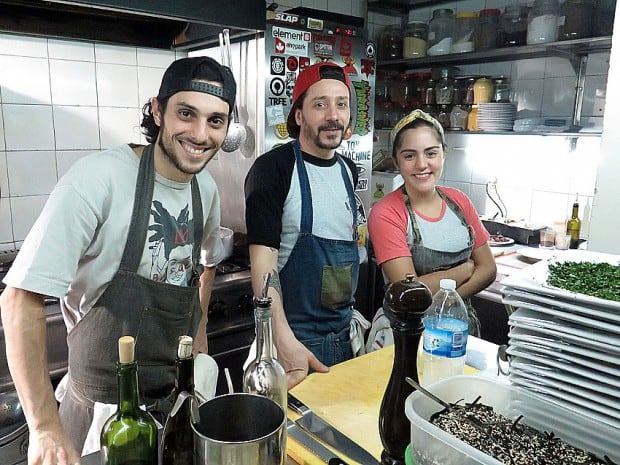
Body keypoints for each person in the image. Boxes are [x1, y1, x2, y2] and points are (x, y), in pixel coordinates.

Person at [0, 56, 236, 465]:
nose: (200, 134)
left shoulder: (206, 190)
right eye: (186, 113)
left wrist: (197, 340)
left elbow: (205, 264)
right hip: (102, 418)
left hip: (174, 410)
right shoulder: (97, 180)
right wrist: (44, 428)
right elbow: (20, 300)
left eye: (216, 121)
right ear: (157, 110)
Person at [244, 61, 361, 388]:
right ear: (299, 115)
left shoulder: (348, 172)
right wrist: (284, 342)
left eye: (341, 104)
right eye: (320, 104)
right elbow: (263, 271)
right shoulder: (274, 169)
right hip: (291, 345)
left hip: (343, 341)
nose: (333, 115)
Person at [367, 109, 496, 342]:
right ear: (396, 160)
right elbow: (410, 292)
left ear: (444, 154)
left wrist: (449, 305)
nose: (422, 164)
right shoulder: (387, 212)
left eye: (431, 153)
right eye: (409, 156)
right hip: (408, 335)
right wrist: (465, 270)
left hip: (461, 328)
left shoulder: (460, 201)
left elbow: (488, 269)